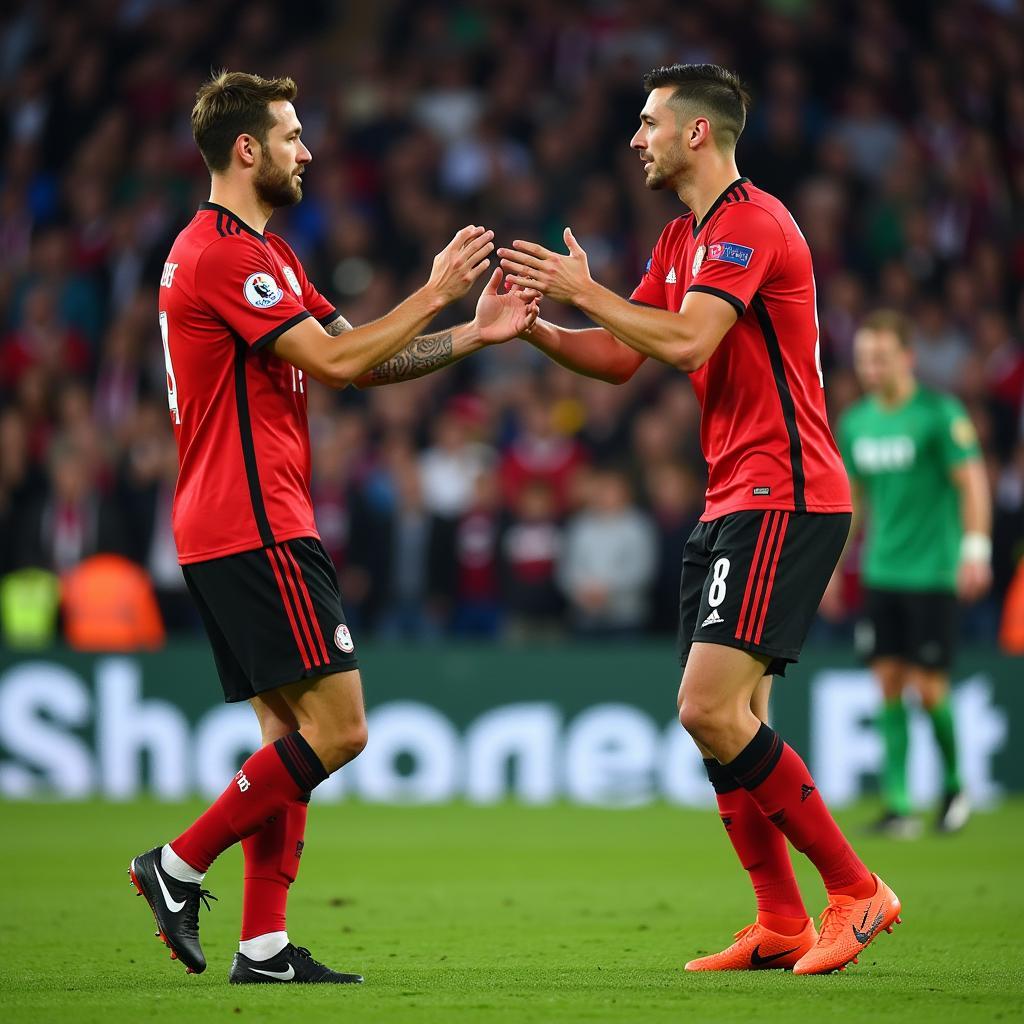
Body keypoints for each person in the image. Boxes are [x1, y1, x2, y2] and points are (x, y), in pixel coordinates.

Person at [128, 70, 537, 985]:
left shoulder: (264, 255)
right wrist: (433, 293)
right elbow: (340, 360)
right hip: (253, 518)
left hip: (236, 518)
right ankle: (178, 863)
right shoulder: (223, 255)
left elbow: (366, 357)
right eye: (292, 134)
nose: (306, 150)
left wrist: (473, 335)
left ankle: (264, 947)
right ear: (248, 149)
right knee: (342, 729)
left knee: (292, 734)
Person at [499, 63, 900, 975]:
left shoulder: (752, 224)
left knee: (708, 706)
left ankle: (858, 890)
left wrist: (581, 289)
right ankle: (782, 920)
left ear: (697, 134)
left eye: (647, 122)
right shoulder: (683, 237)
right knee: (726, 718)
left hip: (786, 495)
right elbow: (619, 357)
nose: (634, 137)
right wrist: (534, 328)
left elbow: (685, 339)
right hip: (733, 497)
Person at [824, 310, 991, 837]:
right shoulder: (856, 423)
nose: (871, 368)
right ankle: (898, 803)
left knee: (930, 688)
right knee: (888, 683)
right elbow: (854, 503)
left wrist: (976, 549)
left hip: (933, 572)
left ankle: (955, 786)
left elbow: (972, 483)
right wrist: (832, 569)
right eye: (864, 359)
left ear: (907, 358)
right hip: (881, 571)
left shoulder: (939, 415)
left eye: (881, 357)